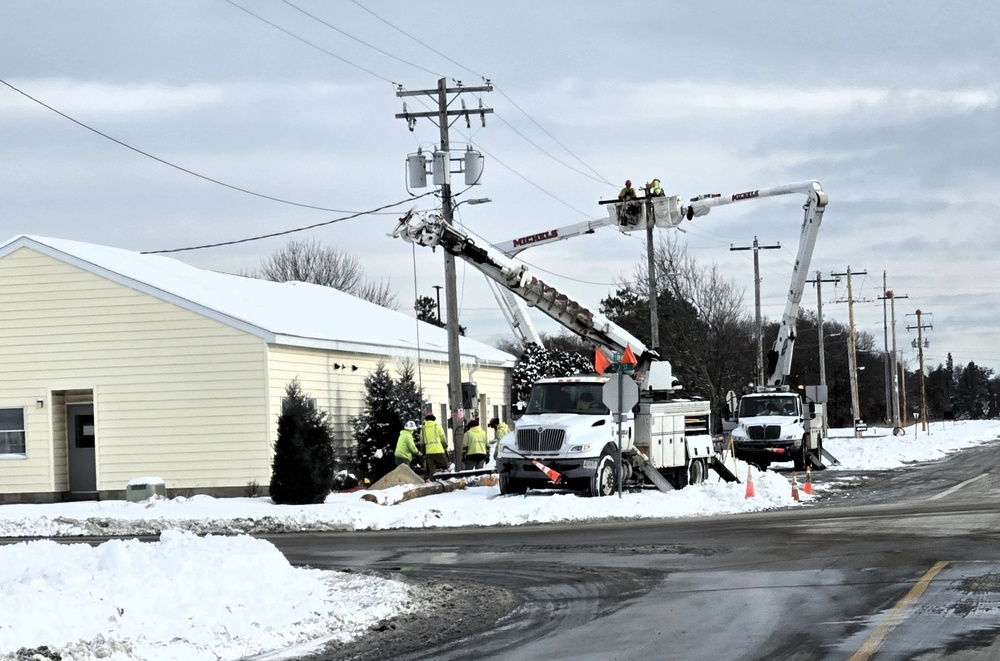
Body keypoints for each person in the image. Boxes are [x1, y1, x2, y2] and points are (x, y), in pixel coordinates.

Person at [421, 413, 449, 479]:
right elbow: (443, 439)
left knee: (432, 470)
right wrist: (445, 447)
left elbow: (422, 442)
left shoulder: (423, 429)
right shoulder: (438, 426)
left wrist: (423, 451)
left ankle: (432, 483)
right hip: (439, 451)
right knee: (445, 467)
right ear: (434, 419)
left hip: (429, 453)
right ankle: (445, 481)